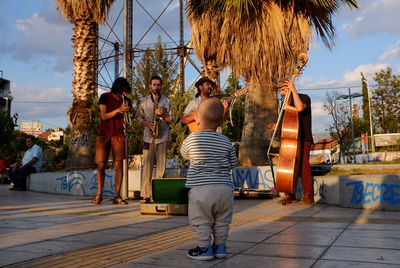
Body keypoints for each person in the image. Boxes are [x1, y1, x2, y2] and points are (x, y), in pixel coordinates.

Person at [181, 98, 237, 261]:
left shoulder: (192, 139)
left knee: (201, 220)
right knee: (222, 221)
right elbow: (233, 163)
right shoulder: (226, 141)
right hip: (225, 190)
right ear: (221, 121)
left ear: (197, 118)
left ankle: (204, 248)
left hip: (201, 190)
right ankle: (220, 247)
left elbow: (185, 154)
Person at [268, 78, 314, 204]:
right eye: (280, 91)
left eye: (283, 89)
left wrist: (293, 90)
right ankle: (290, 194)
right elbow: (288, 124)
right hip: (290, 139)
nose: (282, 93)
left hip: (304, 138)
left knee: (304, 166)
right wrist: (277, 126)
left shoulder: (304, 97)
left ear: (290, 87)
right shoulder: (284, 105)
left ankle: (308, 195)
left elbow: (300, 108)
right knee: (290, 167)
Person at [92, 77, 132, 205]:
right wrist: (117, 110)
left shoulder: (126, 101)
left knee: (119, 165)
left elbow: (128, 119)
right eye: (122, 90)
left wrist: (127, 113)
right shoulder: (105, 96)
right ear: (118, 88)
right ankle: (99, 194)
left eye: (126, 90)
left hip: (119, 134)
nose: (124, 93)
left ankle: (117, 196)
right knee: (101, 165)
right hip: (104, 134)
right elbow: (103, 116)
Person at [136, 75, 172, 204]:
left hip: (162, 137)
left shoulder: (166, 101)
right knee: (147, 167)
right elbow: (138, 117)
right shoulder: (143, 101)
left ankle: (158, 194)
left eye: (158, 85)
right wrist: (147, 124)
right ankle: (145, 194)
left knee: (161, 168)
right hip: (148, 137)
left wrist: (163, 114)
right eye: (154, 84)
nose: (156, 87)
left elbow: (171, 120)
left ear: (161, 86)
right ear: (150, 86)